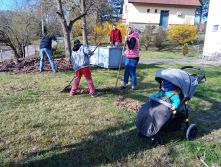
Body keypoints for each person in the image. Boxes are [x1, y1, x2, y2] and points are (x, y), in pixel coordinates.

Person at [121, 27, 140, 91]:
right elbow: (128, 49)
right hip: (129, 57)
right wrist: (125, 52)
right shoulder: (130, 37)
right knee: (126, 71)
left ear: (130, 31)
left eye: (127, 31)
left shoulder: (133, 38)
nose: (126, 32)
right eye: (126, 31)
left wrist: (127, 40)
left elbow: (131, 47)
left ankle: (133, 86)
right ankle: (124, 84)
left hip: (134, 58)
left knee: (132, 72)